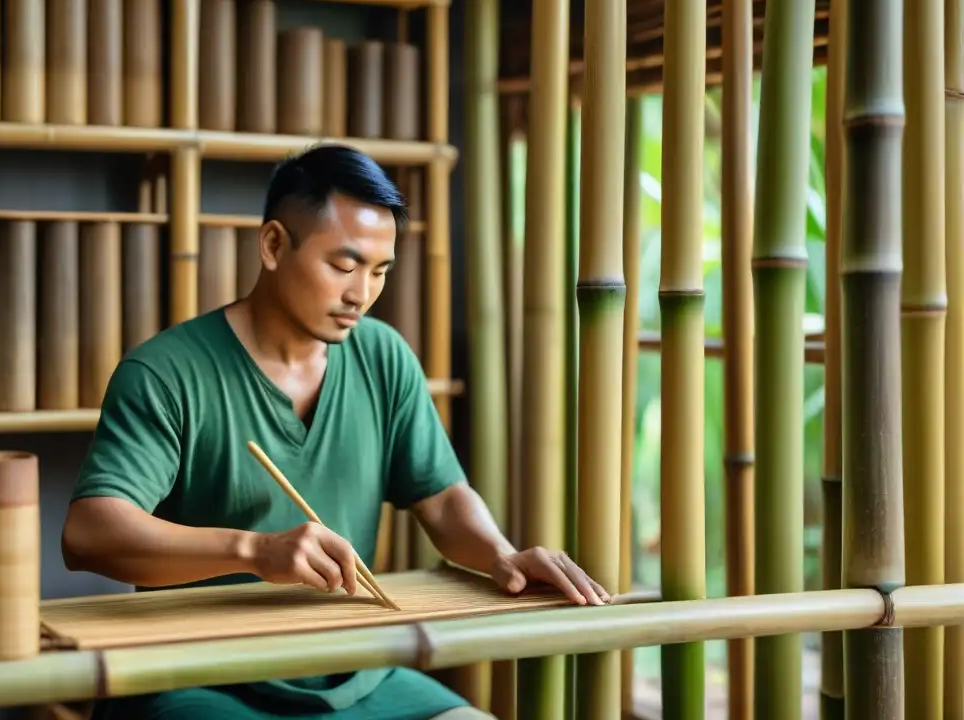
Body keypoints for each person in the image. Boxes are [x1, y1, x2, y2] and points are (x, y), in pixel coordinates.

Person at [61, 145, 609, 720]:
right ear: (273, 245)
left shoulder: (384, 357)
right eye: (344, 266)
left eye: (379, 271)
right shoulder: (167, 373)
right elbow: (91, 531)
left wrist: (502, 557)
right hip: (195, 676)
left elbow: (442, 499)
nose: (361, 294)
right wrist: (256, 551)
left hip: (353, 671)